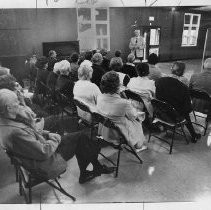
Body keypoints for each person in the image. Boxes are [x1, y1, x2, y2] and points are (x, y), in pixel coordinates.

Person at [0, 89, 114, 184]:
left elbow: (30, 132)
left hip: (40, 148)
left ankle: (94, 168)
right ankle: (89, 171)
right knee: (83, 138)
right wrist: (56, 139)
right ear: (8, 108)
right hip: (45, 163)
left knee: (83, 138)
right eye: (16, 102)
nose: (19, 103)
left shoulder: (6, 121)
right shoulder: (15, 132)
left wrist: (47, 134)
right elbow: (43, 152)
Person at [97, 71, 147, 152]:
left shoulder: (99, 97)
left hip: (104, 131)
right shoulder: (123, 103)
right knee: (138, 120)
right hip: (118, 134)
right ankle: (139, 145)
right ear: (117, 86)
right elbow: (133, 116)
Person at [156, 77, 201, 143]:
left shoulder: (161, 87)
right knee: (186, 114)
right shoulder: (184, 90)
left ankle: (193, 134)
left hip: (160, 115)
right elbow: (187, 110)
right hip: (174, 118)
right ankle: (193, 135)